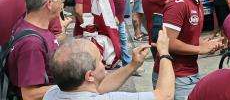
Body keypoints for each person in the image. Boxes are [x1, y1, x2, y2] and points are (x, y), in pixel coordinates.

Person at [43, 28, 175, 100]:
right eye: (100, 60)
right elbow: (164, 95)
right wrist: (164, 53)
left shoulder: (52, 93)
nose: (103, 62)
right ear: (90, 75)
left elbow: (99, 87)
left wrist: (133, 65)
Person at [161, 0, 225, 99]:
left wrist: (206, 43)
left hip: (188, 73)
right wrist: (200, 49)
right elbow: (167, 42)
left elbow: (187, 38)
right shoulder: (180, 3)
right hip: (176, 75)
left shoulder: (197, 2)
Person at [6, 0, 64, 100]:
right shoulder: (32, 44)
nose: (63, 2)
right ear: (49, 3)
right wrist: (71, 85)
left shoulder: (26, 22)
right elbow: (29, 95)